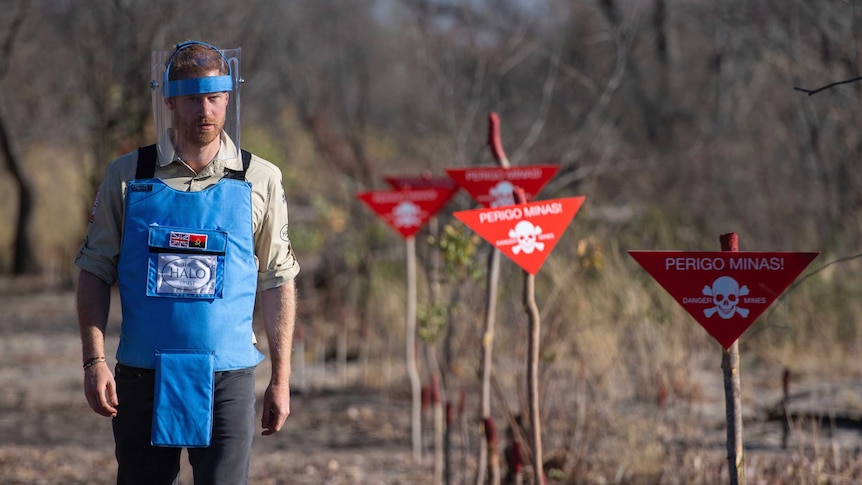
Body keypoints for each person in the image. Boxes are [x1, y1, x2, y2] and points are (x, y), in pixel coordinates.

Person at [75, 40, 300, 484]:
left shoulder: (259, 179)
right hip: (142, 377)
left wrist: (281, 377)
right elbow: (95, 270)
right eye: (194, 97)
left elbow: (277, 280)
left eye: (214, 97)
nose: (205, 109)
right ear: (170, 99)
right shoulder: (129, 175)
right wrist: (94, 361)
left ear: (228, 98)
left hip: (228, 378)